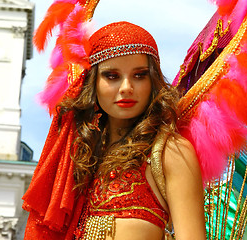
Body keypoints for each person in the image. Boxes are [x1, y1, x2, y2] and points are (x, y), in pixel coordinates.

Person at [23, 21, 206, 240]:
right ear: (93, 83)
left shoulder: (171, 152)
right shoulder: (78, 159)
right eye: (112, 76)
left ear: (153, 82)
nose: (127, 87)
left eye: (139, 75)